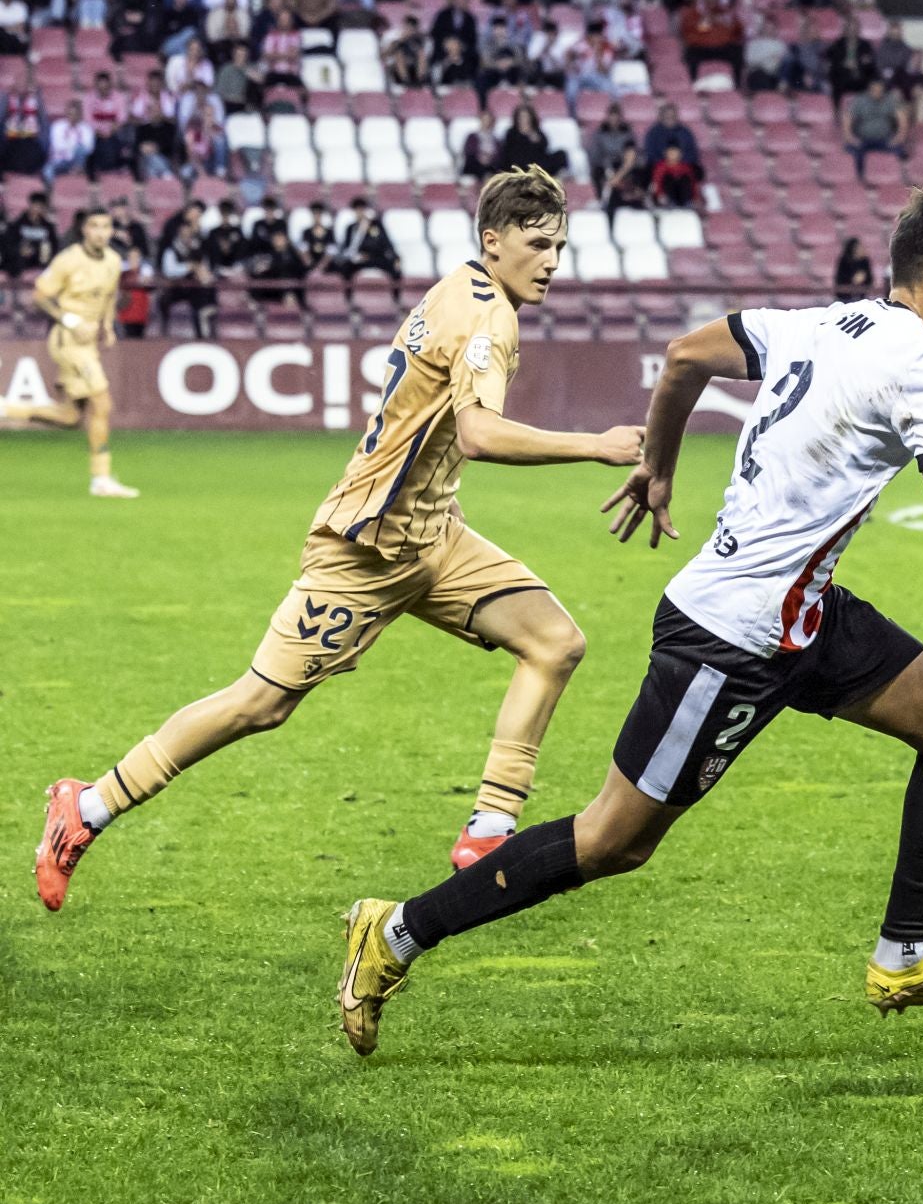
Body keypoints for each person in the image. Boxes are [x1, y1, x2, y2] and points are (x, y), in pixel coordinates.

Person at [335, 174, 923, 1054]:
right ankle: (395, 930)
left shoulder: (821, 323)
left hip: (801, 614)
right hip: (731, 637)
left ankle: (904, 956)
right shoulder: (921, 364)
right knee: (612, 842)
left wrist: (659, 466)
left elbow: (683, 355)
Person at [33, 168, 653, 915]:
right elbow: (479, 432)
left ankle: (489, 830)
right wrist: (598, 446)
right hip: (365, 548)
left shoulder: (461, 285)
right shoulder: (489, 318)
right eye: (538, 243)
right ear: (494, 242)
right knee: (259, 704)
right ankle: (87, 806)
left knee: (555, 643)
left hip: (433, 535)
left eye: (560, 245)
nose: (553, 261)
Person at [0, 210, 138, 498]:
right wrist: (71, 320)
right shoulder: (68, 260)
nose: (100, 232)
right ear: (83, 230)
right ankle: (101, 478)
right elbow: (38, 296)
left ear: (112, 231)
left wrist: (108, 326)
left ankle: (7, 409)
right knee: (102, 402)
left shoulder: (113, 260)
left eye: (106, 226)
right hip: (67, 340)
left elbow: (110, 294)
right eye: (94, 226)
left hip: (88, 344)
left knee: (70, 417)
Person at [841, 74, 905, 180]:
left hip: (884, 139)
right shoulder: (859, 100)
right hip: (863, 139)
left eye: (880, 90)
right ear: (869, 89)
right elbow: (847, 118)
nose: (877, 93)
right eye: (874, 90)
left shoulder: (890, 100)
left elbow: (902, 119)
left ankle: (889, 180)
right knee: (852, 151)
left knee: (898, 151)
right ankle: (860, 180)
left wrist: (899, 137)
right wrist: (850, 138)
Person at [327, 196, 398, 278]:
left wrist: (368, 254)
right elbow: (346, 247)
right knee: (342, 266)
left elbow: (384, 243)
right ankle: (347, 289)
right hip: (356, 259)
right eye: (357, 210)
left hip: (373, 258)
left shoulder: (375, 225)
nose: (359, 212)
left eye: (361, 209)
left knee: (392, 266)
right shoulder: (350, 228)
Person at [248, 225, 309, 305]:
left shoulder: (294, 255)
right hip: (272, 293)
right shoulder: (268, 254)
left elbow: (301, 270)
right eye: (275, 237)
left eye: (280, 237)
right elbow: (256, 270)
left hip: (291, 292)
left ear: (286, 239)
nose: (278, 240)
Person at [642, 102, 701, 178]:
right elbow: (651, 154)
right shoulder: (653, 133)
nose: (670, 118)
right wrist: (667, 165)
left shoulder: (686, 132)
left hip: (682, 166)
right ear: (660, 117)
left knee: (697, 172)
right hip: (659, 167)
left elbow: (692, 153)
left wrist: (678, 165)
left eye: (673, 116)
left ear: (677, 116)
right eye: (667, 116)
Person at [587, 104, 637, 193]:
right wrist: (606, 164)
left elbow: (631, 153)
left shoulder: (627, 133)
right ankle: (600, 197)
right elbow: (595, 154)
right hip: (605, 164)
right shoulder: (600, 133)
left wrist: (617, 174)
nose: (614, 120)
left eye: (616, 117)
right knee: (597, 172)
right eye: (612, 117)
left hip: (622, 164)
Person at [43, 99, 96, 184]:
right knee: (48, 170)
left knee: (80, 149)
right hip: (61, 159)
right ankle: (49, 189)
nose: (73, 117)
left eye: (76, 114)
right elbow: (57, 145)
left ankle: (77, 170)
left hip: (79, 160)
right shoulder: (57, 126)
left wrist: (72, 147)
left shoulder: (86, 128)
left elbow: (89, 147)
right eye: (70, 114)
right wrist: (73, 146)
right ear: (66, 113)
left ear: (80, 115)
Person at [383, 14, 431, 88]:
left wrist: (413, 43)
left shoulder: (421, 40)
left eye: (412, 29)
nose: (409, 31)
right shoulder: (395, 38)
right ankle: (405, 82)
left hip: (415, 69)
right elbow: (385, 55)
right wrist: (401, 40)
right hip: (397, 70)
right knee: (399, 54)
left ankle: (420, 81)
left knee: (421, 53)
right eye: (407, 27)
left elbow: (425, 57)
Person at [649, 141, 698, 207]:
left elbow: (693, 184)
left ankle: (686, 203)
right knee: (668, 178)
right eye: (670, 152)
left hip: (684, 197)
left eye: (675, 151)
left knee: (684, 179)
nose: (672, 154)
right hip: (667, 198)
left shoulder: (686, 168)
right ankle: (671, 203)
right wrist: (660, 196)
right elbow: (657, 183)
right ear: (665, 153)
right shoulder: (660, 167)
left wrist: (695, 198)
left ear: (680, 154)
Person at [833, 234, 872, 299]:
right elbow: (839, 279)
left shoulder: (865, 261)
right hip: (845, 296)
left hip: (862, 296)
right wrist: (852, 280)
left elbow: (870, 279)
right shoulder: (844, 260)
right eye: (857, 248)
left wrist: (864, 278)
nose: (861, 249)